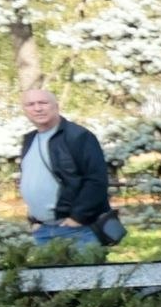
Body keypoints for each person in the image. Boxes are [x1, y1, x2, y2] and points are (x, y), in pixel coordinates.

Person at [15, 89, 117, 249]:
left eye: (43, 102)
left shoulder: (78, 136)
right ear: (24, 109)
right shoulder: (29, 139)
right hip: (42, 231)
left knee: (86, 275)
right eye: (30, 104)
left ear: (56, 106)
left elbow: (96, 180)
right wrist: (35, 221)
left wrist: (77, 219)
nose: (37, 108)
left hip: (78, 231)